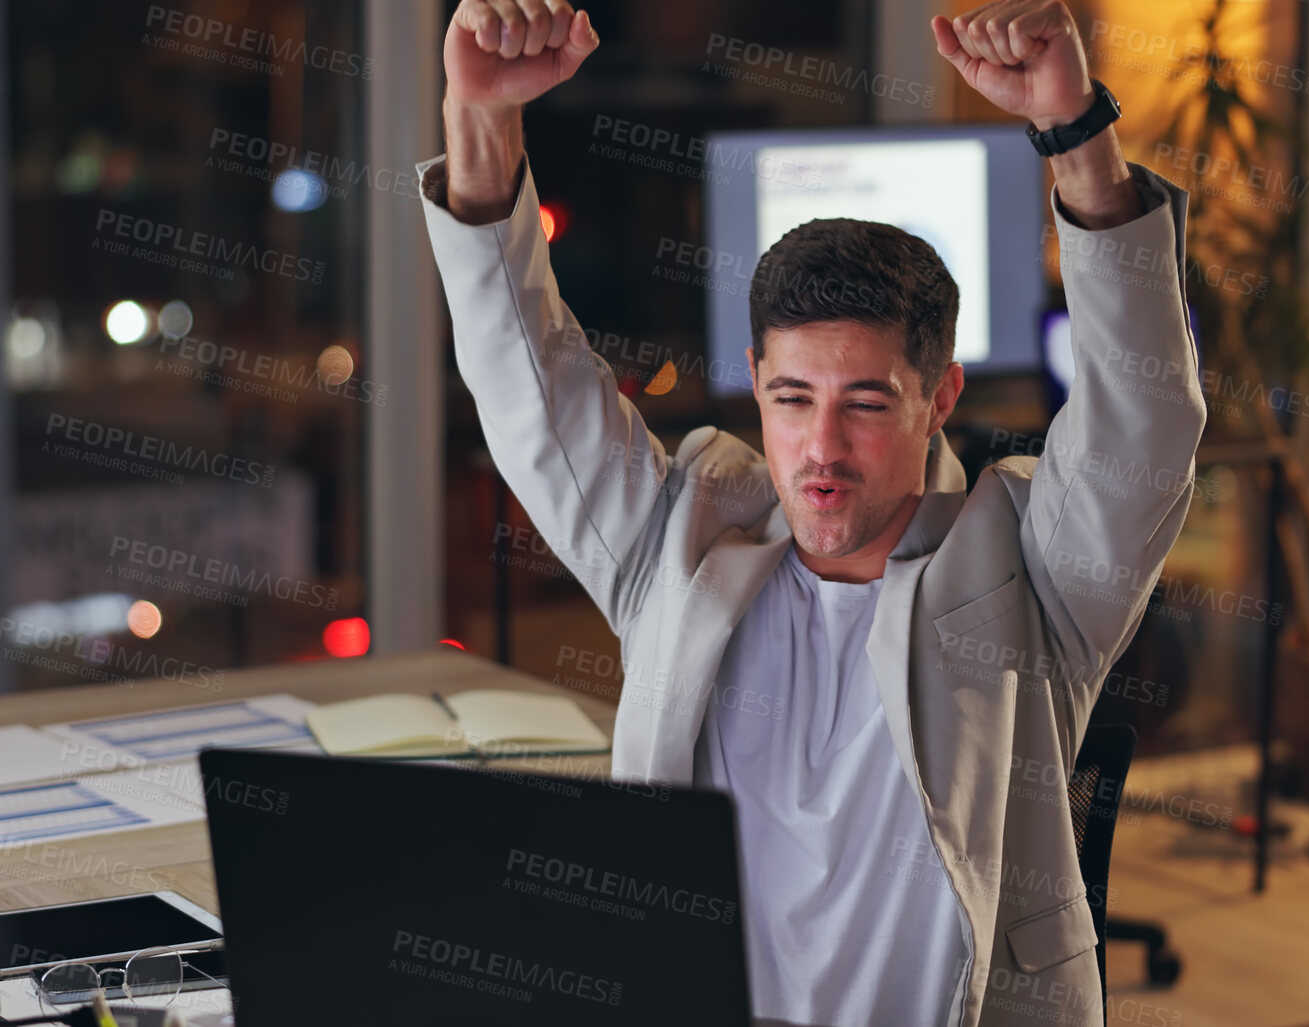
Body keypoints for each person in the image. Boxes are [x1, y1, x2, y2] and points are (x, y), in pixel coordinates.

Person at [415, 2, 1207, 1024]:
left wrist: (1076, 139)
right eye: (793, 399)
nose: (821, 450)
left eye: (868, 404)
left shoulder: (1027, 575)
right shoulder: (686, 543)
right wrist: (479, 122)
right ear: (754, 384)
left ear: (941, 399)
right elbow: (532, 394)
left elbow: (1143, 423)